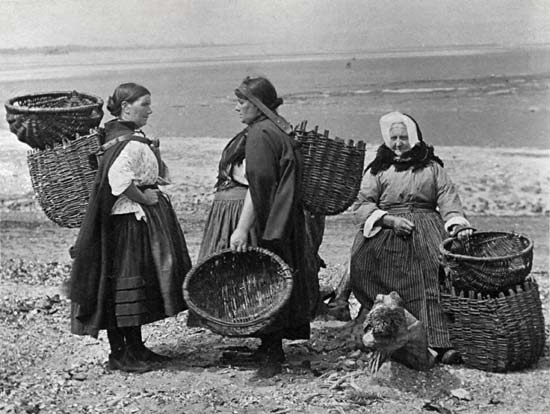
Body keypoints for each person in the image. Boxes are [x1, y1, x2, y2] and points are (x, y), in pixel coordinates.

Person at [194, 76, 319, 378]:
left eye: (241, 102)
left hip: (267, 221)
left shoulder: (261, 134)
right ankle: (269, 348)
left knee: (264, 282)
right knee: (277, 279)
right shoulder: (278, 128)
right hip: (284, 220)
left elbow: (259, 186)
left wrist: (242, 228)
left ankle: (271, 356)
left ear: (258, 104)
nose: (236, 108)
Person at [68, 82, 192, 372]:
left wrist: (155, 153)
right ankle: (119, 354)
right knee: (123, 283)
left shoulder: (130, 137)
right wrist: (145, 198)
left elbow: (155, 174)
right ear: (126, 107)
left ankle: (135, 348)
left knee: (135, 282)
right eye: (144, 104)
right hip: (126, 222)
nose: (150, 110)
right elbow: (119, 180)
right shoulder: (124, 140)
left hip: (136, 219)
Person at [349, 111, 472, 364]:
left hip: (427, 229)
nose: (397, 143)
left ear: (413, 137)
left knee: (435, 274)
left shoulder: (431, 167)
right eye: (393, 137)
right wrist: (388, 220)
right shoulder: (378, 169)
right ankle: (394, 340)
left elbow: (447, 197)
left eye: (403, 137)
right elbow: (362, 203)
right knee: (376, 272)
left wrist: (457, 225)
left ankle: (441, 343)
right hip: (387, 231)